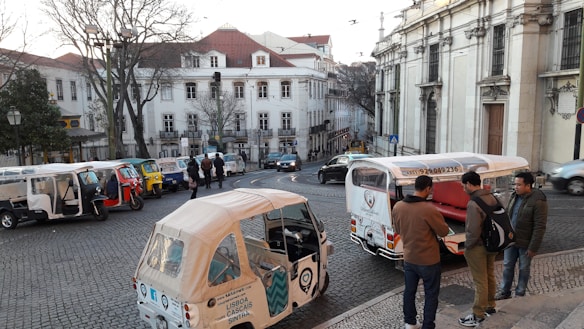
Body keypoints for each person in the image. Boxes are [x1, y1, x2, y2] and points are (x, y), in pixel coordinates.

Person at [393, 175, 450, 329]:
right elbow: (444, 231)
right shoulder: (429, 209)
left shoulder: (398, 206)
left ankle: (410, 322)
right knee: (431, 294)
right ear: (427, 189)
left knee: (409, 291)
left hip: (410, 257)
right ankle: (427, 325)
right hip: (429, 260)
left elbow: (397, 229)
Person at [495, 172, 548, 300]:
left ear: (528, 185)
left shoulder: (538, 201)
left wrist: (533, 247)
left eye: (519, 184)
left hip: (526, 243)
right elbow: (508, 215)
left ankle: (520, 293)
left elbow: (540, 226)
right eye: (515, 184)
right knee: (508, 266)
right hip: (511, 240)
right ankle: (504, 291)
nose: (515, 187)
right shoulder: (514, 196)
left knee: (524, 268)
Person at [459, 171, 498, 327]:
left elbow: (473, 230)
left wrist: (467, 247)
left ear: (469, 184)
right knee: (489, 275)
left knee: (480, 280)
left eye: (463, 186)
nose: (463, 189)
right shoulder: (492, 197)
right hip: (493, 244)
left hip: (478, 246)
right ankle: (490, 306)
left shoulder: (474, 203)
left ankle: (478, 315)